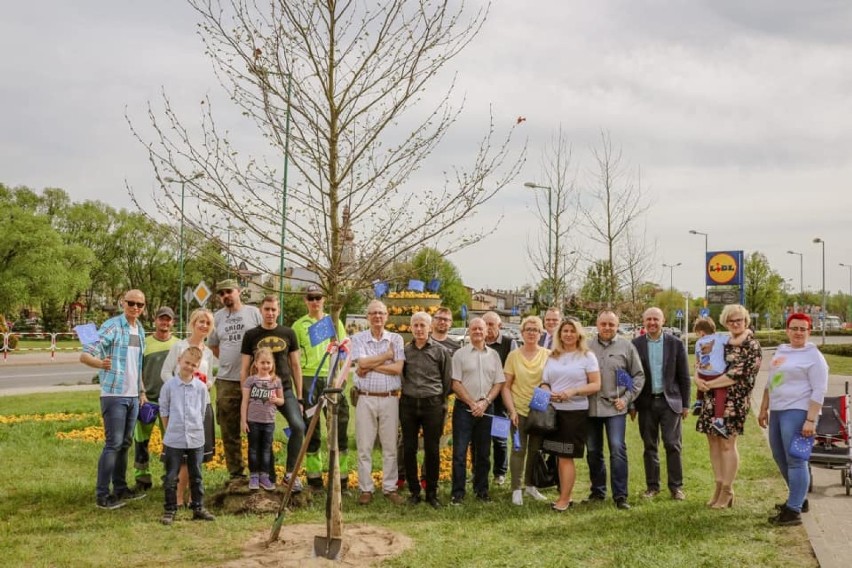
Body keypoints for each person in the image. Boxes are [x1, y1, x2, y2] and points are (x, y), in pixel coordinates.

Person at [81, 289, 148, 510]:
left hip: (132, 395)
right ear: (123, 303)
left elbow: (137, 365)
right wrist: (100, 364)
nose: (135, 307)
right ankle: (103, 495)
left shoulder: (138, 329)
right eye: (131, 303)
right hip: (114, 394)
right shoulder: (112, 325)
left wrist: (141, 391)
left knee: (125, 444)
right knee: (113, 444)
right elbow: (86, 353)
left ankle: (120, 489)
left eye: (140, 304)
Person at [758, 313, 828, 526]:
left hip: (799, 412)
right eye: (794, 328)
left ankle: (794, 510)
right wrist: (763, 408)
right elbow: (772, 381)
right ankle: (799, 498)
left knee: (796, 460)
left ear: (809, 332)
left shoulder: (814, 356)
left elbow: (819, 389)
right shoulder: (782, 350)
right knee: (780, 456)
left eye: (803, 329)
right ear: (787, 330)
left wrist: (810, 420)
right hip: (778, 411)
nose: (798, 332)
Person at [695, 304, 762, 509]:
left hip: (734, 401)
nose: (735, 324)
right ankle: (718, 485)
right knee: (713, 442)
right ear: (725, 322)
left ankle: (728, 490)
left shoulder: (751, 345)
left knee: (727, 444)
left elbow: (736, 374)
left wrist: (709, 384)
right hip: (711, 397)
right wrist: (698, 378)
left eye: (739, 320)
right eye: (731, 320)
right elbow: (703, 361)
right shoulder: (721, 341)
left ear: (746, 321)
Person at [240, 295, 304, 485]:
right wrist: (246, 393)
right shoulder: (251, 335)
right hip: (258, 392)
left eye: (273, 309)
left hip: (283, 389)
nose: (270, 313)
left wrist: (299, 397)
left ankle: (290, 474)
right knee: (261, 433)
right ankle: (267, 475)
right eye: (266, 309)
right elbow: (244, 368)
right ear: (261, 310)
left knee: (298, 427)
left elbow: (295, 365)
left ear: (279, 311)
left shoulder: (289, 333)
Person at [292, 285, 349, 493]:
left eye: (318, 297)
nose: (315, 301)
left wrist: (340, 378)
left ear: (324, 300)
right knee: (311, 428)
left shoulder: (333, 321)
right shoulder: (298, 325)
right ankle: (314, 480)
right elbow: (295, 359)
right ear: (305, 301)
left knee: (339, 426)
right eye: (311, 298)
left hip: (332, 378)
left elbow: (344, 350)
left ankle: (341, 478)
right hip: (310, 379)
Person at [586, 310, 645, 509]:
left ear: (617, 325)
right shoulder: (586, 347)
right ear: (597, 324)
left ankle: (620, 495)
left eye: (611, 324)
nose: (607, 328)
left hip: (615, 407)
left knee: (617, 449)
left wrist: (627, 399)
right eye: (604, 324)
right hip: (591, 407)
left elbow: (638, 376)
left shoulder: (626, 347)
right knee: (593, 451)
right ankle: (598, 491)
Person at [541, 319, 601, 511]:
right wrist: (547, 391)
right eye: (564, 331)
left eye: (571, 331)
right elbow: (545, 382)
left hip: (574, 412)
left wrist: (573, 392)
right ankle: (565, 495)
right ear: (559, 334)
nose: (568, 334)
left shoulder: (587, 356)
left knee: (566, 457)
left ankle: (564, 500)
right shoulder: (553, 356)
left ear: (578, 335)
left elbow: (595, 384)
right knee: (559, 455)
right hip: (554, 412)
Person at [632, 307, 691, 501]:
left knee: (673, 444)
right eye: (648, 319)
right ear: (643, 322)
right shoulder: (636, 344)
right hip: (646, 403)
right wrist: (631, 404)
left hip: (670, 402)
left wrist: (686, 404)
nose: (652, 323)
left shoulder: (675, 344)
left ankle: (676, 487)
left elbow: (684, 376)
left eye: (655, 319)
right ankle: (652, 487)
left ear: (663, 321)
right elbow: (631, 376)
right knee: (650, 446)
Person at [351, 300, 406, 505]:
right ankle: (366, 488)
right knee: (364, 446)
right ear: (368, 316)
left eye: (381, 313)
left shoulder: (396, 339)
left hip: (390, 398)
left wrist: (370, 366)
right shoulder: (358, 338)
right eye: (373, 313)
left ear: (387, 316)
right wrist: (387, 356)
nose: (377, 317)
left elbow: (397, 369)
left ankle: (390, 488)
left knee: (390, 445)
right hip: (365, 397)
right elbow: (360, 363)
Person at [161, 308, 217, 506]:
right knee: (182, 456)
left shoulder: (208, 353)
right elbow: (166, 373)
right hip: (180, 406)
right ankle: (177, 497)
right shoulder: (179, 346)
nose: (204, 326)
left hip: (201, 406)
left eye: (208, 323)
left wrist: (208, 384)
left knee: (197, 454)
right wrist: (179, 388)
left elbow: (208, 377)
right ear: (193, 323)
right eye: (200, 321)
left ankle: (195, 497)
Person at [208, 279, 262, 480]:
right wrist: (227, 360)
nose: (225, 296)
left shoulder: (253, 313)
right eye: (221, 294)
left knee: (257, 427)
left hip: (253, 380)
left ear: (239, 291)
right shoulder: (217, 317)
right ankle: (236, 475)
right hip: (226, 381)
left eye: (229, 291)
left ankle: (259, 472)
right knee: (229, 429)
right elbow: (213, 345)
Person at [450, 318, 505, 505]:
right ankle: (457, 494)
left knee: (483, 452)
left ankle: (481, 491)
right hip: (464, 409)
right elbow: (455, 382)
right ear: (469, 331)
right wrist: (472, 403)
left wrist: (485, 402)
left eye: (481, 328)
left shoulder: (494, 356)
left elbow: (499, 382)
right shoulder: (459, 355)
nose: (478, 332)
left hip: (487, 409)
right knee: (459, 452)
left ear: (487, 331)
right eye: (474, 329)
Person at [400, 312, 452, 508]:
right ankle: (414, 491)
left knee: (432, 450)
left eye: (423, 325)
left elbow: (447, 380)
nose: (419, 329)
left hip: (432, 405)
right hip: (409, 404)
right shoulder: (405, 351)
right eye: (416, 325)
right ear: (411, 328)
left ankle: (431, 492)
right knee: (409, 448)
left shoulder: (440, 351)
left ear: (430, 328)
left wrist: (438, 399)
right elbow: (402, 375)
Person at [501, 315, 549, 506]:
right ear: (521, 333)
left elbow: (551, 382)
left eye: (535, 329)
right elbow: (506, 386)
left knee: (536, 450)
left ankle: (531, 485)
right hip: (518, 409)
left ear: (541, 333)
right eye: (528, 329)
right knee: (518, 449)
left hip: (539, 411)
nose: (531, 333)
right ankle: (516, 489)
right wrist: (511, 410)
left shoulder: (548, 354)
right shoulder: (513, 356)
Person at [133, 306, 178, 491]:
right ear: (155, 321)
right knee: (141, 441)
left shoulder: (178, 344)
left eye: (168, 320)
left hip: (170, 402)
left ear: (172, 322)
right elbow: (137, 370)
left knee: (171, 441)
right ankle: (142, 477)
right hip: (148, 401)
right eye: (161, 319)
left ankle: (170, 476)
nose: (164, 323)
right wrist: (141, 392)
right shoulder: (145, 344)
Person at [692, 317, 754, 437]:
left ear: (701, 332)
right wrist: (747, 332)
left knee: (701, 382)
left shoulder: (698, 342)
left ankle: (699, 401)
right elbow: (736, 342)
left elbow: (697, 360)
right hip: (716, 373)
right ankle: (719, 421)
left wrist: (698, 374)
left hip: (702, 372)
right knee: (720, 392)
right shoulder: (720, 337)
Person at [241, 347, 285, 491]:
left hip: (268, 422)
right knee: (253, 449)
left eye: (268, 363)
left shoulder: (276, 381)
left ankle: (264, 476)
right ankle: (254, 476)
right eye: (262, 363)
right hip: (253, 421)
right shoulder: (250, 381)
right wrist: (243, 420)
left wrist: (276, 399)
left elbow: (282, 401)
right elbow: (245, 401)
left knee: (266, 449)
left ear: (272, 364)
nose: (265, 366)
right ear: (256, 364)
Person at [483, 311, 517, 486]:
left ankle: (500, 473)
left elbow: (514, 369)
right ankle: (478, 472)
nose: (487, 328)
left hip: (500, 400)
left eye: (491, 324)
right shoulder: (477, 341)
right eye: (485, 324)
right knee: (480, 439)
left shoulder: (509, 344)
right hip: (481, 398)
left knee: (500, 438)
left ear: (499, 326)